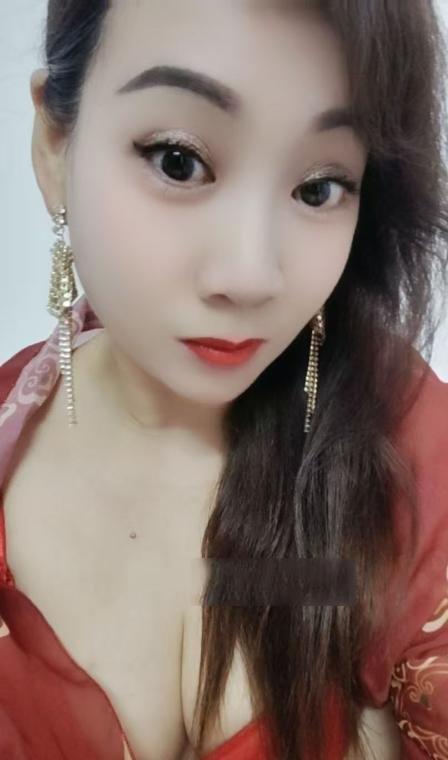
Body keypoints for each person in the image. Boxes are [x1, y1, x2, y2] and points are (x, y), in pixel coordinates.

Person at [0, 0, 447, 758]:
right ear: (54, 144)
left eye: (319, 187)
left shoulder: (410, 451)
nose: (250, 275)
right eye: (178, 161)